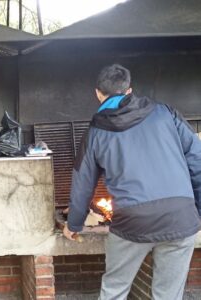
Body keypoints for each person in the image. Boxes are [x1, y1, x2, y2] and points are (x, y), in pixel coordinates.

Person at [63, 64, 201, 300]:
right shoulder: (165, 113)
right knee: (168, 295)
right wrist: (195, 209)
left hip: (132, 223)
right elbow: (197, 161)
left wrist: (73, 224)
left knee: (115, 289)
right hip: (180, 216)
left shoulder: (96, 131)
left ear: (97, 93)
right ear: (129, 90)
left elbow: (83, 184)